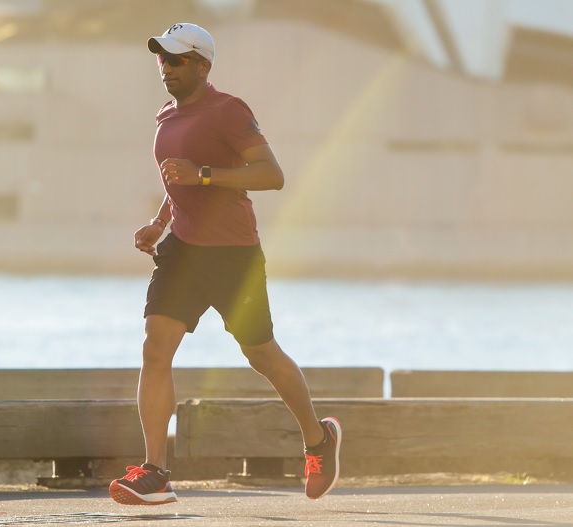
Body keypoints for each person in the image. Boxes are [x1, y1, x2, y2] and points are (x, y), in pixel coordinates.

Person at [108, 23, 341, 506]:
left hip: (234, 256)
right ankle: (156, 472)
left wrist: (205, 175)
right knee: (156, 346)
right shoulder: (165, 116)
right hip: (183, 252)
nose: (166, 68)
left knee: (262, 355)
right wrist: (158, 222)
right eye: (161, 60)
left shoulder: (229, 111)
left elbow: (271, 175)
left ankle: (319, 440)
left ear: (202, 65)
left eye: (176, 60)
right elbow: (178, 183)